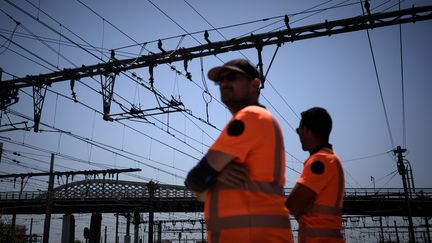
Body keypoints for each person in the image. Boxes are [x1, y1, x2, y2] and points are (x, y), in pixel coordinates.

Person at [185, 59, 293, 243]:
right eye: (221, 80)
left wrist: (210, 179)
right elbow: (199, 191)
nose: (224, 83)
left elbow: (196, 179)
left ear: (255, 84)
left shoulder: (250, 117)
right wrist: (214, 179)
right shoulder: (261, 119)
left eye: (232, 77)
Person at [285, 107, 345, 243]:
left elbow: (292, 205)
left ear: (306, 130)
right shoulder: (330, 158)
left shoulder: (320, 161)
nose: (299, 135)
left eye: (298, 130)